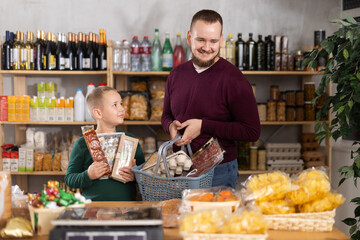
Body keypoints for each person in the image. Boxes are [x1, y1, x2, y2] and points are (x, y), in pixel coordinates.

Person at [161, 9, 260, 189]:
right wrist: (170, 125)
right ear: (189, 37)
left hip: (219, 171)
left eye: (213, 41)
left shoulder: (234, 79)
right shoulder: (176, 74)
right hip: (179, 169)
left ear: (221, 40)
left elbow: (251, 132)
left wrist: (203, 126)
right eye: (201, 40)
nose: (207, 47)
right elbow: (166, 114)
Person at [65, 86, 145, 201]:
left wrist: (135, 176)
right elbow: (69, 179)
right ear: (98, 113)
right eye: (115, 105)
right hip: (94, 211)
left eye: (121, 104)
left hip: (126, 210)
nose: (122, 109)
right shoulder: (83, 143)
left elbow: (145, 173)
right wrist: (88, 175)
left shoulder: (130, 140)